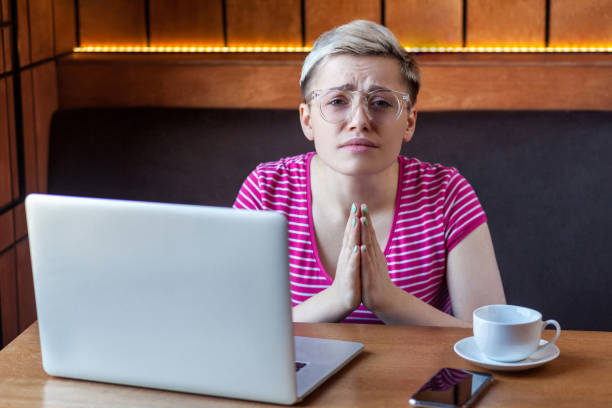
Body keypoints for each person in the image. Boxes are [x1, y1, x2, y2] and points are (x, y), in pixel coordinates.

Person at [233, 20, 506, 327]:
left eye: (381, 103)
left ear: (410, 122)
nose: (360, 121)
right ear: (307, 120)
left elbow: (491, 339)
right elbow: (236, 331)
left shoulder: (447, 194)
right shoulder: (266, 190)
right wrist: (337, 299)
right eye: (337, 101)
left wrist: (387, 300)